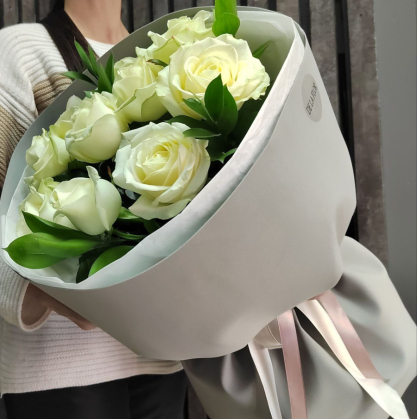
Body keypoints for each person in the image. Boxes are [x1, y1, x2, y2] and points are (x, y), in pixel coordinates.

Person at [0, 1, 187, 418]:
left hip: (160, 360)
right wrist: (45, 294)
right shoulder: (21, 51)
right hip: (59, 372)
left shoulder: (159, 54)